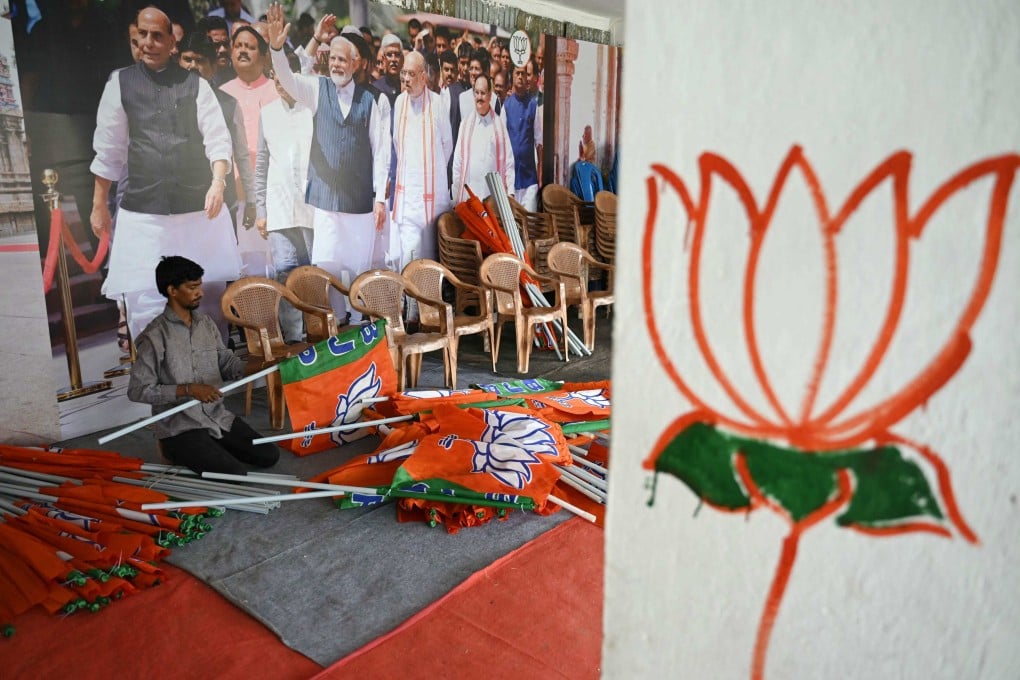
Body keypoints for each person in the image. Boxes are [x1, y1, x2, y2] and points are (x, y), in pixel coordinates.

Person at [90, 7, 242, 342]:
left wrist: (218, 182)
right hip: (143, 211)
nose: (148, 42)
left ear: (172, 41)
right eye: (142, 35)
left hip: (198, 209)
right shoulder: (120, 83)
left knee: (208, 293)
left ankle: (209, 372)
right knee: (143, 298)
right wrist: (99, 203)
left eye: (157, 35)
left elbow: (218, 139)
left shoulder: (195, 85)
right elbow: (109, 150)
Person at [266, 4, 389, 321]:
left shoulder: (373, 100)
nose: (336, 64)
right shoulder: (317, 88)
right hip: (325, 204)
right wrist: (276, 48)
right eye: (332, 58)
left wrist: (380, 199)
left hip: (360, 205)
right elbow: (287, 78)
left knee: (360, 273)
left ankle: (362, 327)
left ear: (355, 63)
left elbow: (381, 151)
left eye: (342, 59)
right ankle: (335, 332)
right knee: (327, 272)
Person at [128, 256, 279, 475]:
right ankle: (170, 448)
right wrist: (188, 390)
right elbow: (137, 390)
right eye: (192, 287)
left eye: (200, 285)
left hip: (216, 415)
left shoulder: (206, 324)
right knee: (235, 475)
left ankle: (210, 446)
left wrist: (259, 367)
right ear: (172, 290)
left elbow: (226, 362)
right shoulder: (154, 336)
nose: (201, 292)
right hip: (179, 425)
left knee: (268, 456)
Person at [178, 31, 255, 246]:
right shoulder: (166, 100)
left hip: (222, 202)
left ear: (213, 67)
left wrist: (250, 199)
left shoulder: (229, 104)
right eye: (187, 59)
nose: (192, 66)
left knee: (224, 272)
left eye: (200, 61)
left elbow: (241, 154)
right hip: (180, 205)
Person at [220, 24, 277, 268]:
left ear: (264, 57)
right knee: (245, 266)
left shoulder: (277, 90)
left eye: (250, 47)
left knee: (275, 265)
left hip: (273, 197)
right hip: (235, 196)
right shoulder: (221, 94)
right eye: (238, 46)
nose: (242, 51)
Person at [390, 50, 453, 270]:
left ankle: (427, 303)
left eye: (411, 74)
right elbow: (398, 144)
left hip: (433, 196)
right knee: (409, 256)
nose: (406, 79)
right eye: (403, 74)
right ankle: (410, 304)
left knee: (431, 260)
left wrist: (432, 173)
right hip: (408, 197)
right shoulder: (399, 103)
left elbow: (447, 145)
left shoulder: (437, 104)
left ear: (424, 77)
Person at [451, 74, 514, 204]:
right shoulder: (465, 124)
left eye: (483, 93)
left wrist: (510, 194)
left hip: (492, 198)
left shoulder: (499, 126)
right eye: (477, 93)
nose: (479, 97)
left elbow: (508, 162)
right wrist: (457, 195)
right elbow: (457, 162)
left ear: (490, 96)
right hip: (469, 198)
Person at [503, 58, 543, 211]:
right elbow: (501, 144)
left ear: (528, 78)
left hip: (529, 180)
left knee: (530, 225)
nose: (520, 77)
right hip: (511, 180)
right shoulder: (506, 106)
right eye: (517, 73)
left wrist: (539, 177)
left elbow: (539, 143)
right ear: (512, 76)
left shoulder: (533, 105)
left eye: (524, 74)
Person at [373, 33, 403, 105]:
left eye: (397, 54)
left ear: (402, 59)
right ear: (383, 59)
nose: (393, 59)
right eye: (389, 55)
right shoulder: (375, 89)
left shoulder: (407, 87)